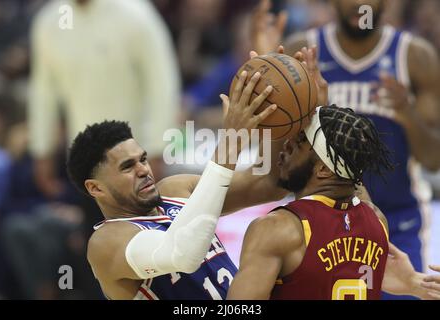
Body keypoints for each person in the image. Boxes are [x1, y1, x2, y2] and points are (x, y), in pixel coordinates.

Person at [251, 0, 440, 299]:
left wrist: (407, 113)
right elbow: (271, 161)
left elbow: (433, 160)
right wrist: (267, 69)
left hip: (399, 220)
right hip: (320, 219)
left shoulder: (415, 57)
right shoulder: (304, 49)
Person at [66, 70, 286, 300]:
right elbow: (182, 254)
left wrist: (276, 96)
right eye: (127, 167)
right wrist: (231, 142)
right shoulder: (107, 242)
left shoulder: (176, 189)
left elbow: (271, 182)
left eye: (142, 159)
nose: (143, 169)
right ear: (96, 188)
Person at [227, 105, 440, 300]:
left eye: (299, 143)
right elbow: (351, 176)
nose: (286, 146)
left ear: (323, 170)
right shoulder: (377, 222)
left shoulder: (278, 228)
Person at [29, 0, 181, 198]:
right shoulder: (49, 21)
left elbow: (162, 85)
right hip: (86, 161)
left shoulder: (135, 13)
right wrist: (42, 150)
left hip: (137, 156)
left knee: (144, 227)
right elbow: (44, 91)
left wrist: (157, 148)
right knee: (96, 228)